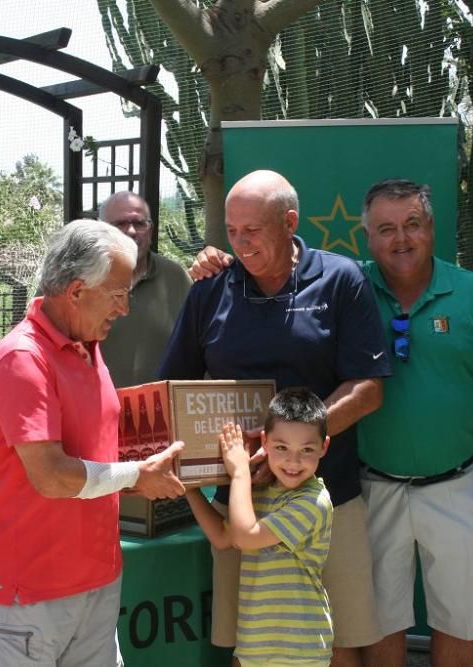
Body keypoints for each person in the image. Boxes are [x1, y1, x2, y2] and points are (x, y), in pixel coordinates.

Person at [159, 169, 391, 667]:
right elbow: (172, 390)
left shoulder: (341, 278)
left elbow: (370, 389)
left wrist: (288, 444)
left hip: (330, 498)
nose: (241, 244)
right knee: (254, 646)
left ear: (289, 222)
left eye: (253, 230)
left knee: (338, 644)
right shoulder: (209, 289)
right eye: (232, 231)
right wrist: (196, 471)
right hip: (241, 501)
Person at [0, 219, 185, 667]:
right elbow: (52, 477)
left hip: (97, 580)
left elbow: (100, 456)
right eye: (117, 294)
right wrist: (137, 475)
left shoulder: (87, 344)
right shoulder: (22, 359)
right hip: (31, 592)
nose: (125, 309)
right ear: (75, 292)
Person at [355, 179, 473, 667]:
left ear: (432, 228)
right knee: (379, 624)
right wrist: (220, 260)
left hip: (458, 486)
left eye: (413, 224)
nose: (401, 239)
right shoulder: (347, 291)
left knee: (460, 624)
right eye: (386, 229)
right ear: (368, 238)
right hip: (372, 488)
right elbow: (280, 267)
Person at [186, 387, 335, 667]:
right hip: (254, 646)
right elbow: (222, 538)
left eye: (307, 450)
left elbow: (244, 537)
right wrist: (189, 488)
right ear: (264, 442)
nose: (293, 461)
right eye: (281, 448)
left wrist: (240, 472)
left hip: (300, 651)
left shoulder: (314, 502)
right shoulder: (261, 491)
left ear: (324, 447)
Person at [97, 191, 191, 387]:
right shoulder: (78, 278)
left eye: (139, 223)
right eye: (120, 224)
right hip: (94, 413)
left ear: (151, 229)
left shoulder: (176, 277)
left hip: (161, 413)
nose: (131, 231)